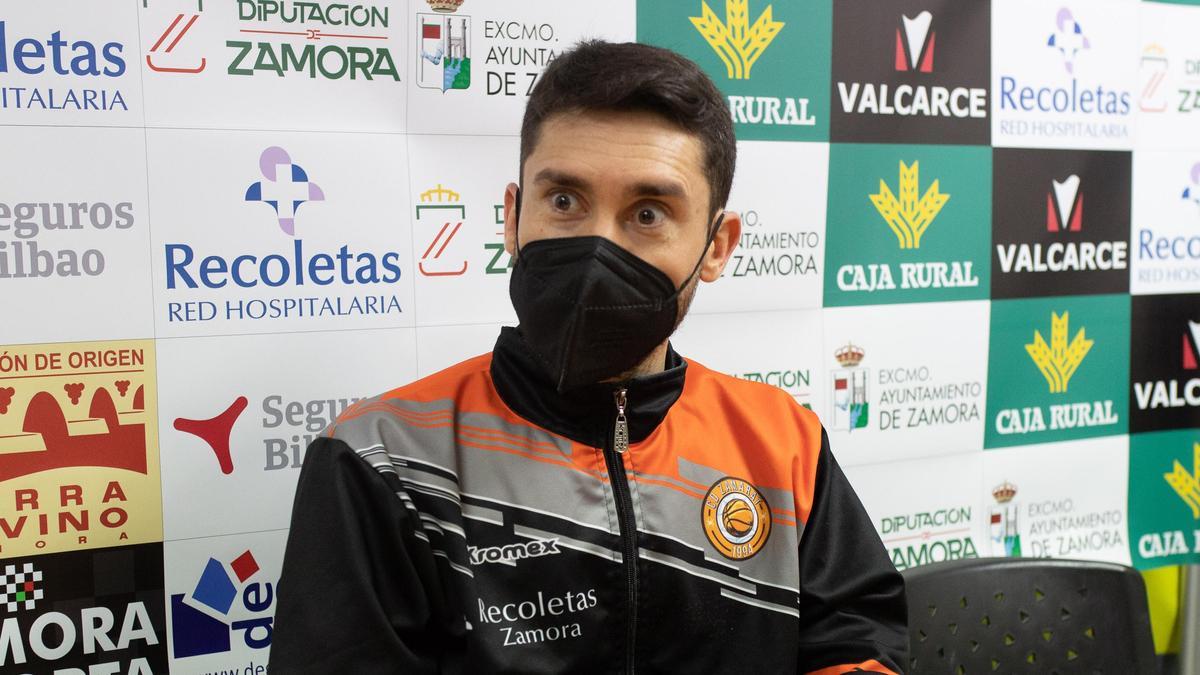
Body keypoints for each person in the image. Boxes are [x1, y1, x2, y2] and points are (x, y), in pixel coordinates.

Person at [269, 40, 907, 674]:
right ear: (514, 217)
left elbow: (857, 641)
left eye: (648, 213)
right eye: (566, 202)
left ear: (717, 246)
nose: (599, 250)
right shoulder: (382, 458)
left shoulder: (781, 439)